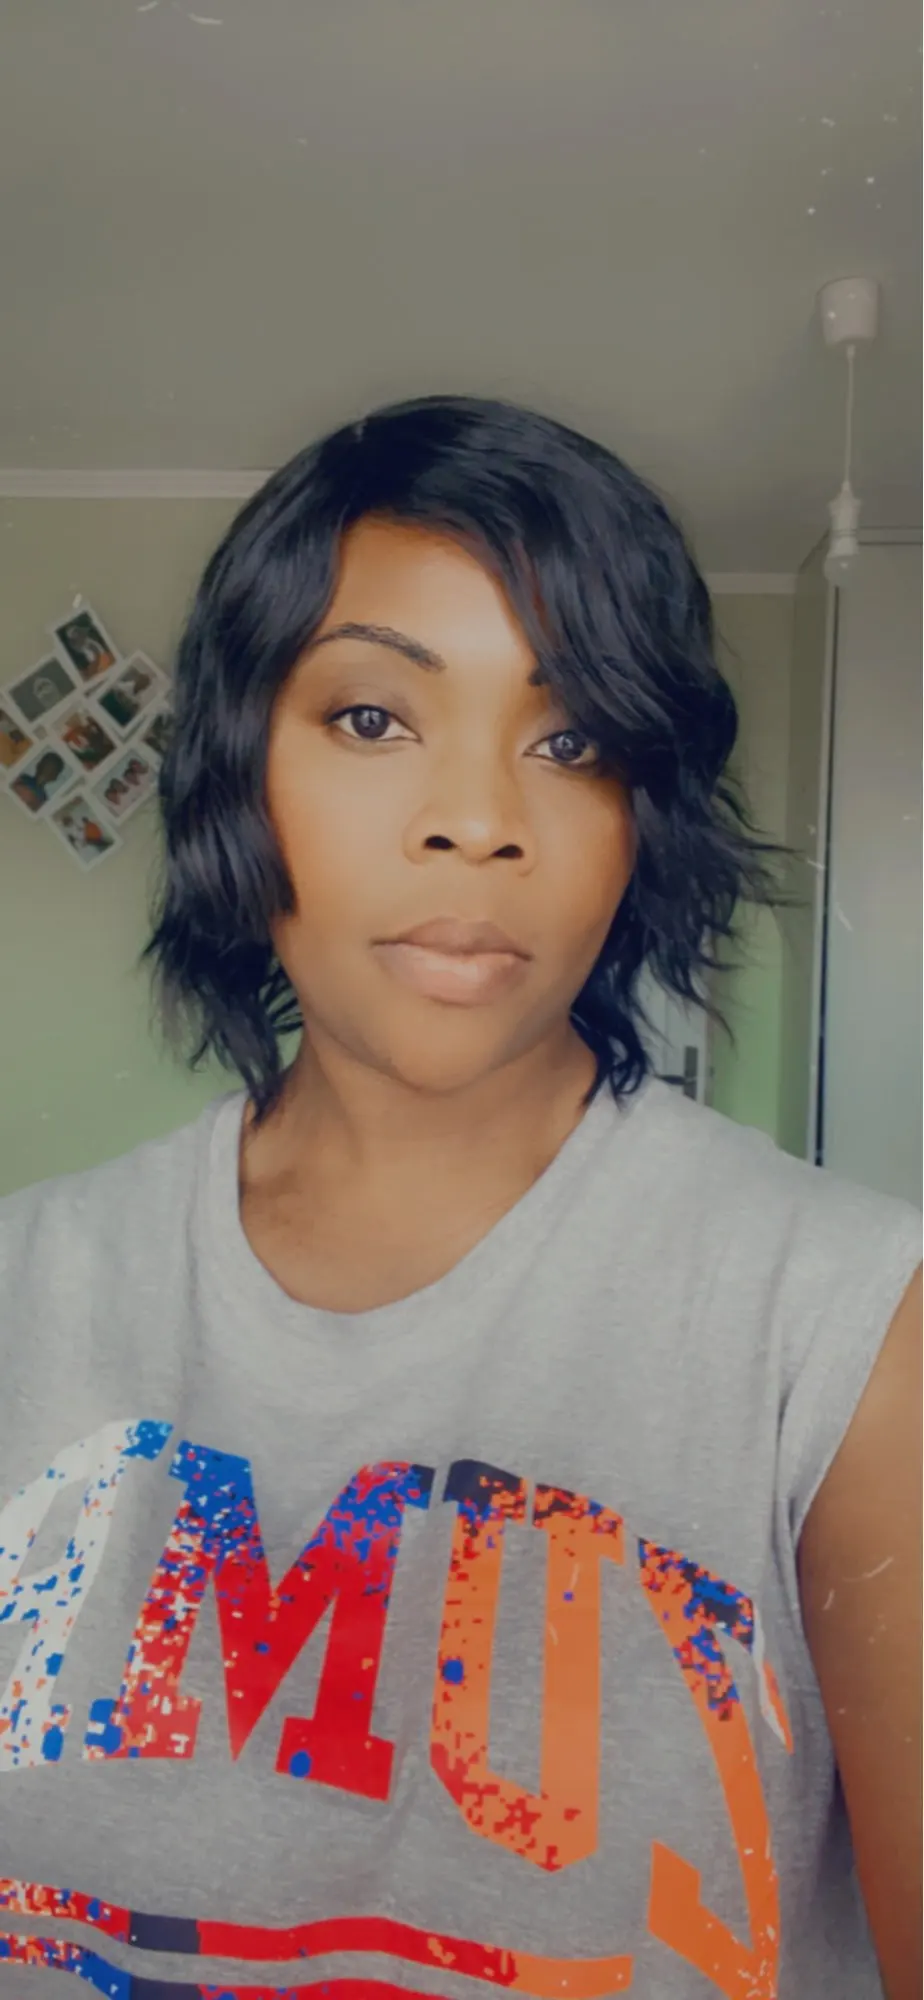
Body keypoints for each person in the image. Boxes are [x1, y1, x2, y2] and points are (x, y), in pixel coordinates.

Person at [0, 395, 919, 2000]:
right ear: (240, 771)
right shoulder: (27, 1287)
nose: (480, 821)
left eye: (572, 742)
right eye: (372, 718)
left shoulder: (845, 1330)